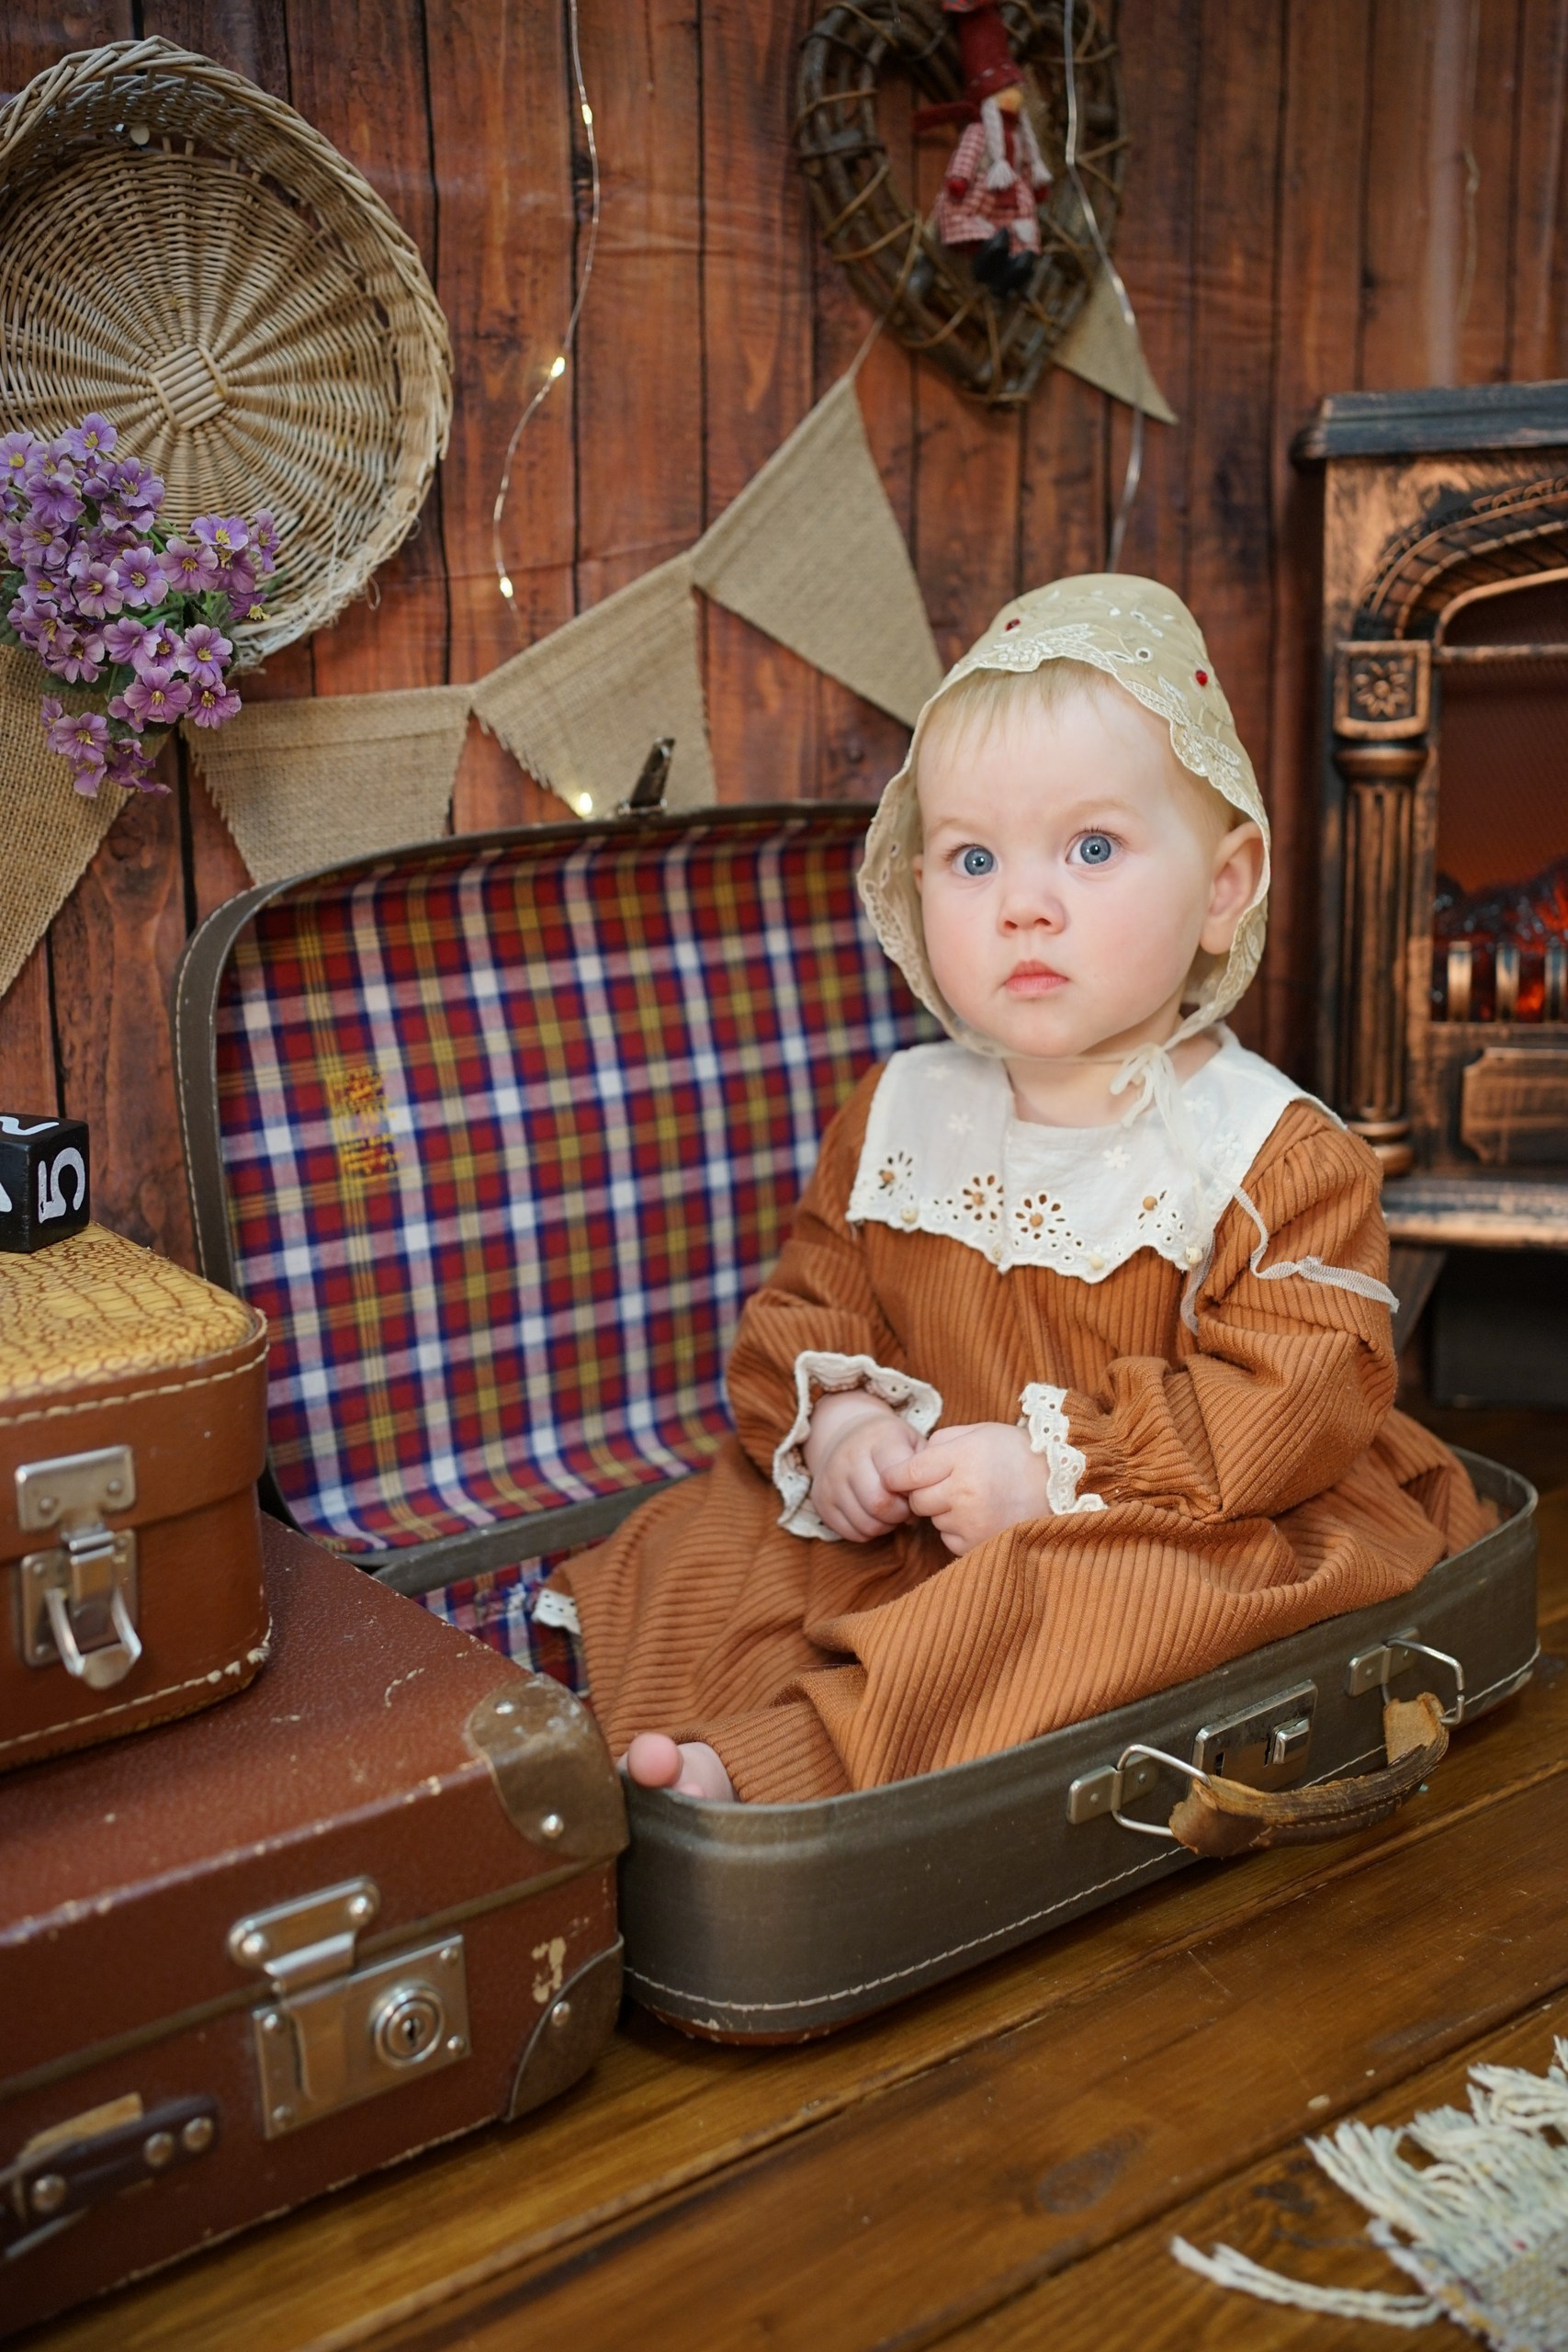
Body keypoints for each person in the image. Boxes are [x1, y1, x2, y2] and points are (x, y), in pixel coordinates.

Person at [556, 575, 1491, 1805]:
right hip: (937, 1511)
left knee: (1090, 1609)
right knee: (721, 1537)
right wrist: (845, 1425)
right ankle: (622, 1735)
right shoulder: (905, 1109)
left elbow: (1292, 1407)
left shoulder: (1264, 1152)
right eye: (973, 856)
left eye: (1092, 847)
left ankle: (793, 1767)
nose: (1024, 904)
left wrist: (1058, 1473)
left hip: (1185, 1517)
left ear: (1223, 887)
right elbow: (812, 1300)